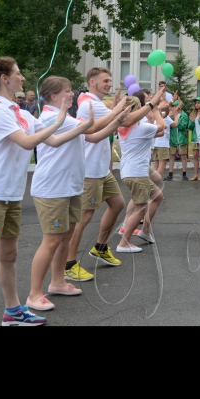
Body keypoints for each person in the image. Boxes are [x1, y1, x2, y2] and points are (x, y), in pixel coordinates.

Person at [0, 58, 76, 327]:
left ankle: (13, 312)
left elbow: (53, 141)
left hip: (12, 196)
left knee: (9, 256)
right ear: (5, 79)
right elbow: (28, 141)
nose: (23, 78)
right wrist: (60, 119)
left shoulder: (22, 113)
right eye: (18, 74)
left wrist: (89, 125)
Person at [26, 77, 119, 313]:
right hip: (53, 188)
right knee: (51, 241)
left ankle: (57, 282)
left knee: (64, 239)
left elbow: (95, 136)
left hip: (69, 187)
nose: (71, 94)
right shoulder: (50, 118)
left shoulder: (66, 119)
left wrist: (117, 119)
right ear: (53, 96)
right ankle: (34, 294)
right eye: (67, 91)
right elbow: (92, 127)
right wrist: (118, 111)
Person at [66, 68, 145, 283]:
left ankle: (100, 247)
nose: (109, 84)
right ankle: (69, 264)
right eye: (105, 81)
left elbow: (115, 119)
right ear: (92, 81)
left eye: (110, 80)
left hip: (101, 169)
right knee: (84, 217)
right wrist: (151, 105)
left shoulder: (97, 103)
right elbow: (126, 121)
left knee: (118, 203)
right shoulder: (89, 104)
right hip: (90, 170)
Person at [117, 93, 167, 253]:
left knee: (157, 196)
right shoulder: (140, 127)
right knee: (140, 208)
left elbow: (158, 132)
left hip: (132, 171)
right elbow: (162, 127)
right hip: (137, 172)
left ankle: (144, 231)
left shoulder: (124, 126)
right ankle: (123, 243)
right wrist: (157, 111)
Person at [167, 100, 194, 182]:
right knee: (171, 156)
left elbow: (183, 126)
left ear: (180, 107)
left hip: (182, 139)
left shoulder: (184, 115)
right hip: (173, 139)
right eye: (174, 106)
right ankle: (170, 174)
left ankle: (184, 174)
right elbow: (169, 125)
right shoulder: (171, 116)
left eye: (176, 106)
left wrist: (175, 122)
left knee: (183, 157)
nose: (174, 108)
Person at [152, 105, 175, 181]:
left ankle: (152, 183)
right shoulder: (165, 118)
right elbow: (175, 124)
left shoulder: (156, 116)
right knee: (162, 165)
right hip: (163, 144)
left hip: (155, 143)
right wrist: (176, 115)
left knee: (156, 165)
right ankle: (156, 184)